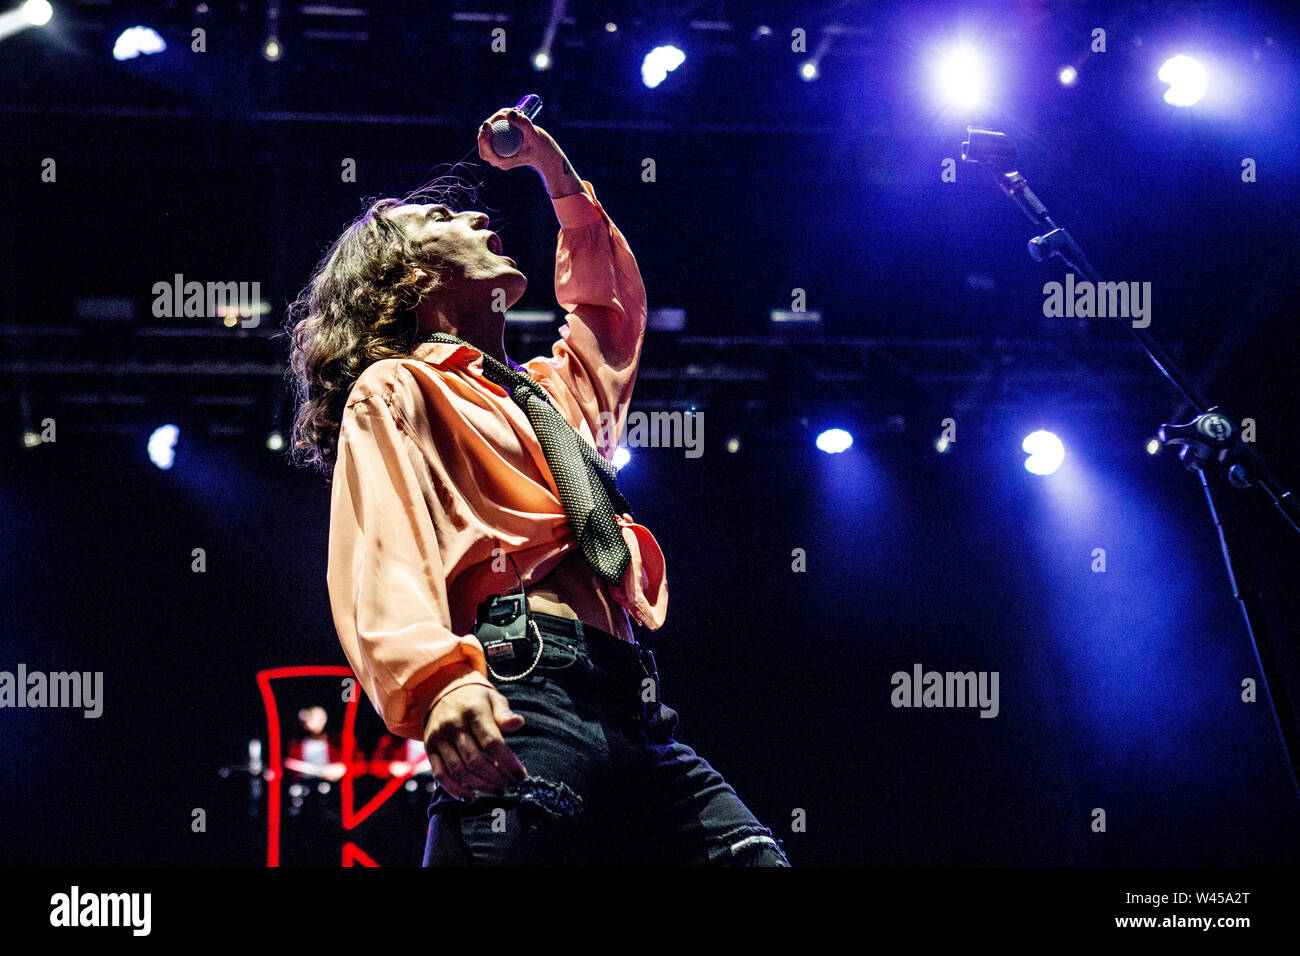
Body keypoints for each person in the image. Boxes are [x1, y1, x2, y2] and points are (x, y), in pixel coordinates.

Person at [285, 106, 788, 866]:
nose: (480, 211)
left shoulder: (545, 397)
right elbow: (382, 553)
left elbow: (608, 317)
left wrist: (556, 176)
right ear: (412, 275)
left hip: (634, 707)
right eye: (445, 216)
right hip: (525, 686)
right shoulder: (397, 388)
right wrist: (436, 684)